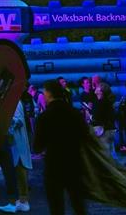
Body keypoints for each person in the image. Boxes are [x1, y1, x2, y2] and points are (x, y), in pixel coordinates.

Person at [33, 79, 89, 215]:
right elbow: (85, 137)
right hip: (74, 163)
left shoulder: (44, 117)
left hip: (54, 166)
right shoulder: (75, 113)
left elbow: (37, 147)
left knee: (56, 207)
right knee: (78, 204)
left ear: (49, 93)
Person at [91, 82, 116, 158]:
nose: (95, 87)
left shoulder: (101, 102)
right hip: (109, 129)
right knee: (111, 153)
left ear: (101, 91)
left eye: (98, 87)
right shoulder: (106, 101)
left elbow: (98, 117)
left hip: (104, 130)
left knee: (106, 154)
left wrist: (90, 117)